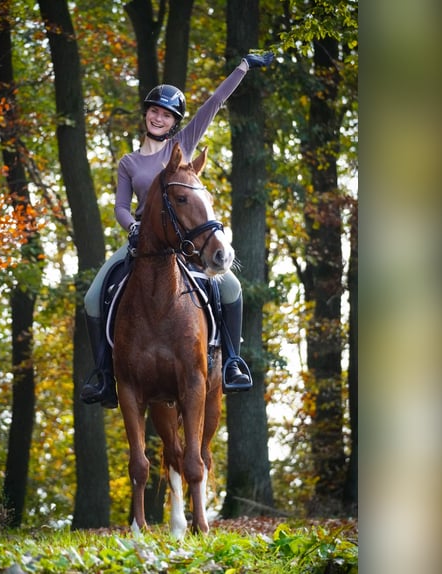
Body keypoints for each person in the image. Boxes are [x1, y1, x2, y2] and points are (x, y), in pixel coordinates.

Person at [81, 52, 273, 408]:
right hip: (143, 241)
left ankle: (232, 361)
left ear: (174, 122)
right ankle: (105, 377)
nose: (159, 117)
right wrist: (133, 227)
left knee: (230, 287)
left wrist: (243, 67)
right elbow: (121, 207)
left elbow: (214, 103)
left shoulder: (181, 145)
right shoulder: (129, 163)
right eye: (155, 110)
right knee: (93, 297)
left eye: (166, 114)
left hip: (182, 244)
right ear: (147, 113)